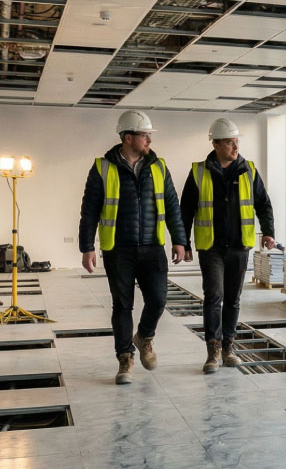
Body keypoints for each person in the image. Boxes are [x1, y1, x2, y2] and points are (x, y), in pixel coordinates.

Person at [79, 110, 187, 385]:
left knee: (159, 300)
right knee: (122, 306)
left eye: (149, 135)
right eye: (144, 135)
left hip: (152, 246)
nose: (149, 139)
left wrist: (180, 240)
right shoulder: (103, 167)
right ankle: (125, 358)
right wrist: (86, 246)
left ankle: (144, 337)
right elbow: (90, 210)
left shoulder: (159, 167)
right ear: (128, 138)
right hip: (119, 248)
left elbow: (173, 206)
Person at [181, 118, 275, 375]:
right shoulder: (199, 171)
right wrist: (183, 242)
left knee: (233, 300)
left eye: (237, 142)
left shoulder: (249, 170)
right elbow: (186, 209)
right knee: (213, 297)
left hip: (239, 246)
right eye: (230, 142)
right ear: (216, 144)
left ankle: (228, 348)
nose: (236, 147)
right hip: (210, 247)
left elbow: (263, 204)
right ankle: (212, 350)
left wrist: (268, 232)